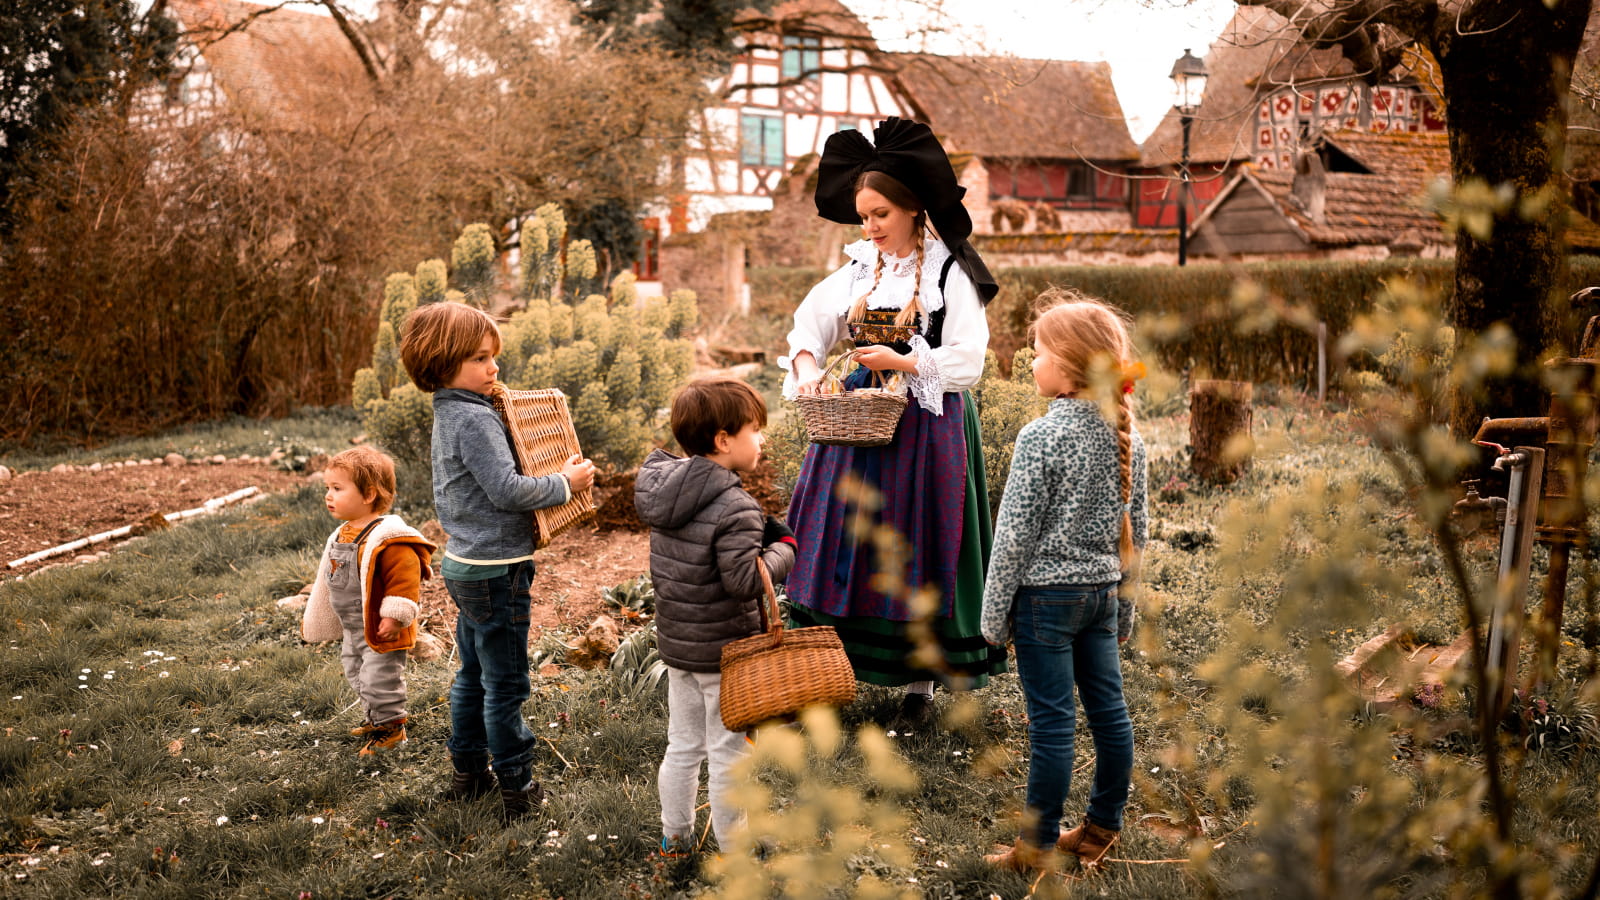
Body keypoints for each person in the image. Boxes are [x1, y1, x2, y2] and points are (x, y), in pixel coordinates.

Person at [779, 117, 1004, 725]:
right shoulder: (856, 272)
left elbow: (968, 357)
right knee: (838, 538)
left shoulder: (949, 273)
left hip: (927, 428)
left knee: (916, 542)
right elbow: (808, 331)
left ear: (910, 209)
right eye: (864, 216)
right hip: (857, 426)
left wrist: (903, 359)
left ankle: (919, 687)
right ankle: (825, 670)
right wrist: (805, 371)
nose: (870, 226)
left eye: (880, 214)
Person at [398, 300, 597, 823]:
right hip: (497, 570)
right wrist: (565, 484)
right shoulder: (476, 421)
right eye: (481, 359)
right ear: (444, 364)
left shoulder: (450, 410)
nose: (495, 368)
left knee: (471, 674)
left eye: (494, 357)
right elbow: (508, 490)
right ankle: (518, 785)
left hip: (466, 565)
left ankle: (468, 773)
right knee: (505, 684)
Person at [978, 289, 1149, 873]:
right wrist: (1125, 612)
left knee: (1051, 725)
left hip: (1044, 603)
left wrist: (991, 614)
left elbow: (1013, 538)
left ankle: (1037, 847)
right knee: (1109, 713)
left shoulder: (1041, 437)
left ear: (1070, 369)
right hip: (1101, 597)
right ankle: (1103, 828)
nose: (1031, 362)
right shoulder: (1130, 440)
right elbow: (1138, 535)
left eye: (1039, 352)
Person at [634, 377, 798, 857]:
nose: (762, 439)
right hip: (726, 655)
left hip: (680, 649)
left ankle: (676, 836)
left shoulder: (666, 492)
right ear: (724, 440)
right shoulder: (735, 506)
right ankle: (737, 850)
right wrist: (783, 549)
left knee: (683, 747)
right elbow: (745, 582)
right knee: (729, 756)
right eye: (754, 429)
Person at [301, 446, 436, 756]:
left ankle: (392, 729)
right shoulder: (343, 534)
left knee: (379, 679)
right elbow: (328, 578)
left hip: (380, 628)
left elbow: (404, 581)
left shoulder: (390, 539)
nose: (328, 495)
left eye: (337, 488)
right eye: (327, 488)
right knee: (356, 673)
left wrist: (394, 616)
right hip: (353, 627)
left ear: (368, 494)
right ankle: (376, 719)